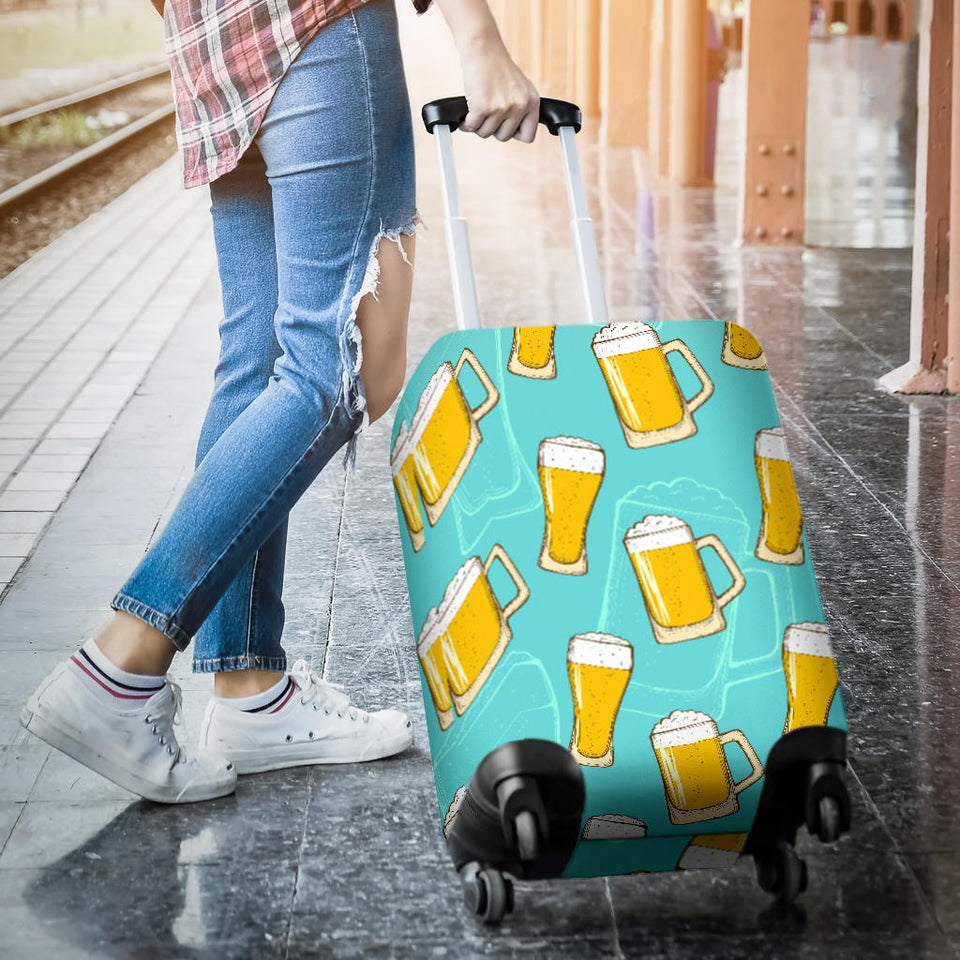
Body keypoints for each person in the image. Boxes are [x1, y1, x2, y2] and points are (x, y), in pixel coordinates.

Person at [20, 0, 540, 803]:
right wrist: (480, 40)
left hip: (214, 47)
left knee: (259, 361)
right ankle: (120, 665)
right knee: (338, 367)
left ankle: (248, 689)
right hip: (319, 25)